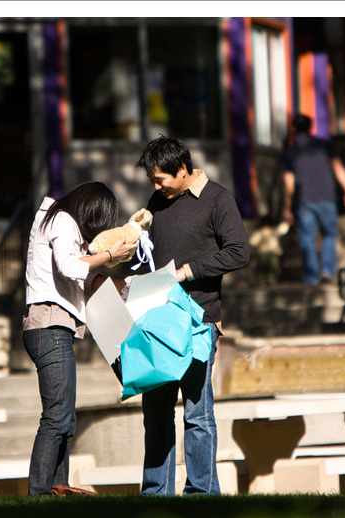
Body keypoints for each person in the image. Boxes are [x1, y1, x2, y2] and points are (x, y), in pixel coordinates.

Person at [134, 135, 251, 495]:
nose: (156, 187)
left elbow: (239, 252)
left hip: (198, 322)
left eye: (161, 179)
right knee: (156, 414)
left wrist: (188, 271)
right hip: (156, 321)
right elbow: (149, 255)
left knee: (197, 415)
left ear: (182, 170)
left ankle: (201, 493)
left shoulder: (217, 199)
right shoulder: (158, 200)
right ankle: (155, 494)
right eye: (153, 181)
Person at [24, 182, 137, 496]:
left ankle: (57, 489)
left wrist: (127, 288)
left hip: (54, 328)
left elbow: (85, 277)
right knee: (57, 416)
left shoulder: (59, 222)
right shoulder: (61, 220)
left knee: (64, 420)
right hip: (49, 326)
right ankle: (40, 493)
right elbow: (70, 266)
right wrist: (110, 254)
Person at [282, 114, 345, 286]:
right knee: (329, 234)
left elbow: (289, 184)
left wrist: (287, 208)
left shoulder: (291, 153)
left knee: (307, 238)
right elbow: (338, 168)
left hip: (304, 200)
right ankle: (327, 270)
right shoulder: (325, 146)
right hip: (327, 197)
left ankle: (311, 276)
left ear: (294, 130)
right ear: (310, 127)